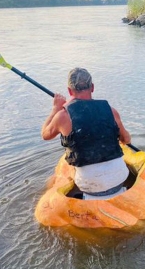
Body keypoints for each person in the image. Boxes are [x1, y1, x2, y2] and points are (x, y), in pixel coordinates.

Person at [41, 67, 131, 200]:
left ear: (69, 90)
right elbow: (127, 140)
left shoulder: (62, 116)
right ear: (92, 87)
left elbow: (45, 134)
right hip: (119, 180)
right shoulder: (111, 111)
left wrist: (55, 108)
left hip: (90, 189)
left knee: (54, 178)